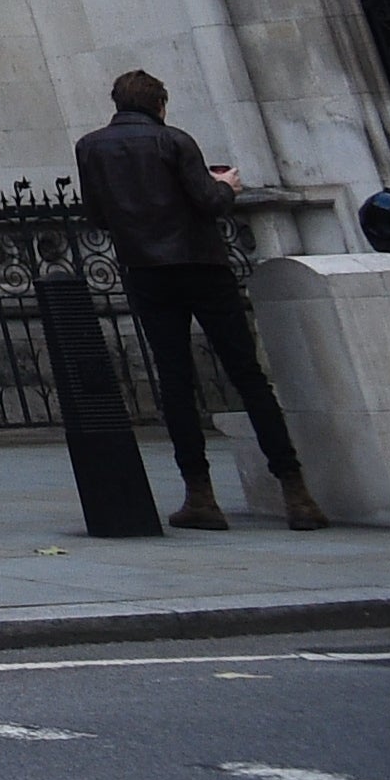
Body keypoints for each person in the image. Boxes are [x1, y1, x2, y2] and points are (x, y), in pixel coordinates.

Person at [78, 68, 327, 531]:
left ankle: (199, 493)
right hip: (202, 265)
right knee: (248, 376)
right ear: (160, 104)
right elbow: (208, 204)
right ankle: (295, 490)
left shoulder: (91, 147)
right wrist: (226, 186)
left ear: (117, 104)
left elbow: (96, 214)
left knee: (175, 382)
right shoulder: (173, 141)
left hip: (147, 271)